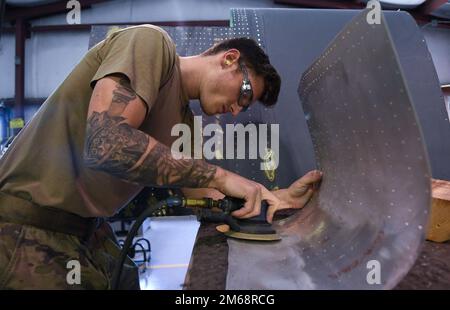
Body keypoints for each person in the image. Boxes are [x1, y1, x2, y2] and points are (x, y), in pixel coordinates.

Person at [0, 25, 322, 289]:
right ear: (229, 59)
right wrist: (222, 176)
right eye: (244, 93)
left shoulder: (184, 124)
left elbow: (209, 196)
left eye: (245, 106)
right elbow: (106, 143)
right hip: (26, 226)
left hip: (88, 232)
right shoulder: (151, 43)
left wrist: (270, 198)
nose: (236, 110)